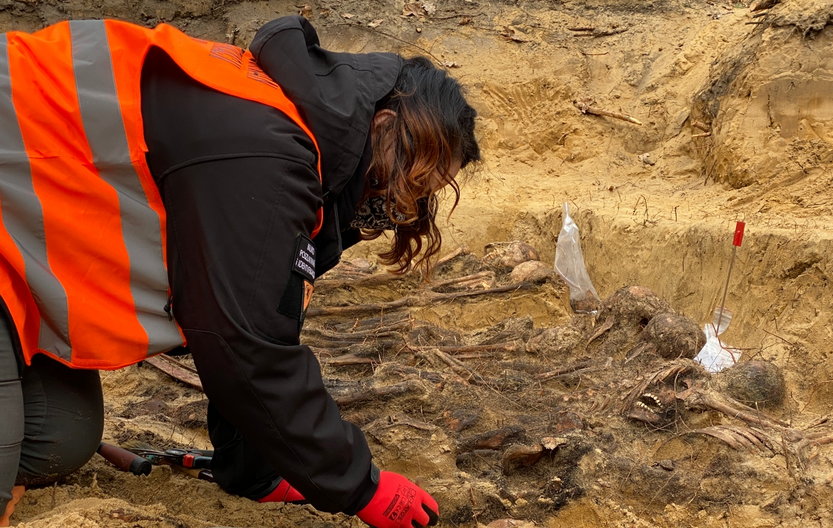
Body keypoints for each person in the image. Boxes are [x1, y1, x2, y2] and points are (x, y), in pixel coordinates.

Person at [0, 14, 480, 528]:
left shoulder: (301, 143)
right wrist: (360, 486)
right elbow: (241, 344)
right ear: (384, 126)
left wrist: (259, 473)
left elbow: (261, 315)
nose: (401, 208)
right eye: (414, 179)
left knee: (60, 435)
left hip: (14, 255)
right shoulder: (263, 148)